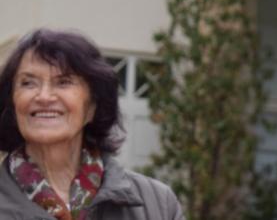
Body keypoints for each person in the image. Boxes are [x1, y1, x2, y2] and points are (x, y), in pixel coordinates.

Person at [0, 28, 183, 219]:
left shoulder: (158, 204)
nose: (44, 96)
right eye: (28, 83)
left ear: (92, 106)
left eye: (63, 82)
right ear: (12, 104)